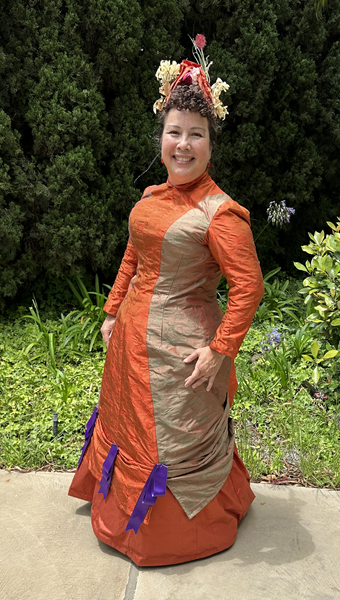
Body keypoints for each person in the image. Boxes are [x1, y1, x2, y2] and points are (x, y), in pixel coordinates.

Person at [68, 40, 264, 567]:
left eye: (195, 135)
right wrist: (111, 311)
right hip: (131, 347)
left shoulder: (220, 214)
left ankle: (166, 535)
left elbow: (249, 287)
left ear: (210, 144)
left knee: (168, 441)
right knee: (125, 425)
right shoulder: (153, 198)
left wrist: (220, 351)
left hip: (181, 355)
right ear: (161, 137)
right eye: (174, 132)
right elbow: (132, 257)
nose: (183, 144)